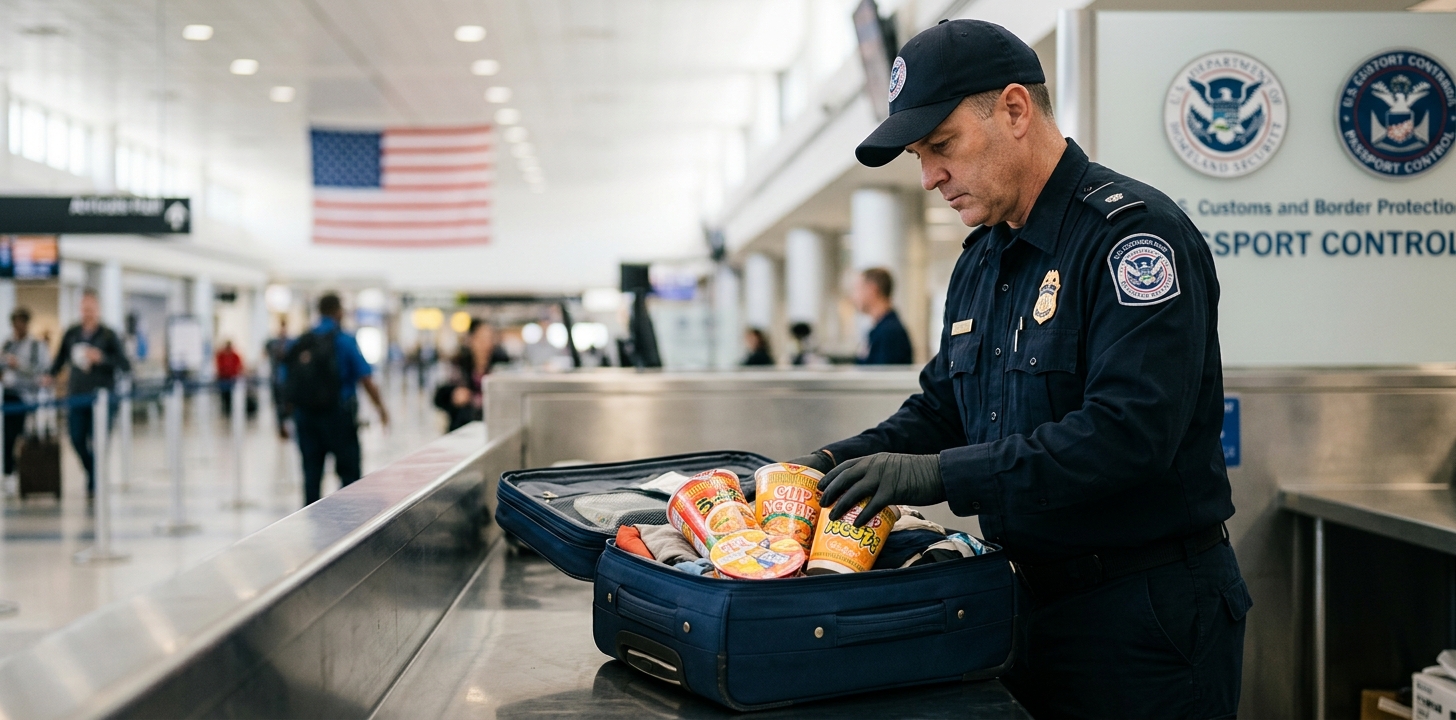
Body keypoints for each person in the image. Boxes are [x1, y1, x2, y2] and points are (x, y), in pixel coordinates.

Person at [786, 20, 1246, 719]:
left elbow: (1128, 436)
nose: (930, 175)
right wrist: (826, 463)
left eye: (941, 147)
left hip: (1143, 615)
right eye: (919, 154)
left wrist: (941, 474)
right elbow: (942, 407)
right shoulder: (982, 261)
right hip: (1019, 606)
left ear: (1013, 110)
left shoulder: (1133, 239)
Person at [282, 293, 389, 506]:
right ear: (339, 312)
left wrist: (284, 418)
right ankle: (348, 529)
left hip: (306, 418)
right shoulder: (345, 340)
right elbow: (365, 378)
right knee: (349, 477)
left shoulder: (301, 342)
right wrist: (381, 409)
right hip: (339, 417)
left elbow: (286, 383)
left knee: (311, 476)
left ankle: (311, 527)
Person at [44, 288, 130, 497]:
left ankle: (94, 481)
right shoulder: (72, 333)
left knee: (99, 441)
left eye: (91, 308)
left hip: (102, 398)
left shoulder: (109, 335)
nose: (87, 312)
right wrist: (51, 375)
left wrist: (100, 359)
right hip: (77, 395)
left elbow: (124, 364)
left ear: (98, 309)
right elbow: (60, 359)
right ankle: (92, 472)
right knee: (76, 438)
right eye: (84, 308)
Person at [434, 318, 509, 432]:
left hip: (493, 428)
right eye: (481, 338)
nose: (486, 344)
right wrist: (454, 395)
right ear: (471, 339)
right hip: (463, 429)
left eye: (490, 338)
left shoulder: (501, 366)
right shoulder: (458, 366)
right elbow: (438, 397)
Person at [2, 308, 50, 477]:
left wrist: (18, 365)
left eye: (21, 323)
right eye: (15, 323)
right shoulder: (8, 344)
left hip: (28, 396)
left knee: (22, 437)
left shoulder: (36, 346)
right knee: (7, 437)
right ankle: (9, 471)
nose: (18, 326)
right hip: (8, 395)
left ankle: (28, 472)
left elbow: (41, 371)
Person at [853, 267, 913, 365]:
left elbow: (880, 377)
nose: (854, 296)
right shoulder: (879, 330)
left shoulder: (890, 332)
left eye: (857, 289)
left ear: (872, 290)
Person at [264, 320, 291, 439]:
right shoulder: (272, 343)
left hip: (287, 381)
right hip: (277, 380)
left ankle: (287, 426)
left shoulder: (291, 343)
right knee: (279, 405)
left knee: (288, 405)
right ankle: (281, 427)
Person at [215, 339, 244, 416]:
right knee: (223, 395)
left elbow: (239, 366)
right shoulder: (221, 355)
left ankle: (229, 410)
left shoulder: (235, 355)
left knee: (230, 395)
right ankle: (225, 410)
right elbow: (218, 366)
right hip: (223, 378)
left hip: (232, 379)